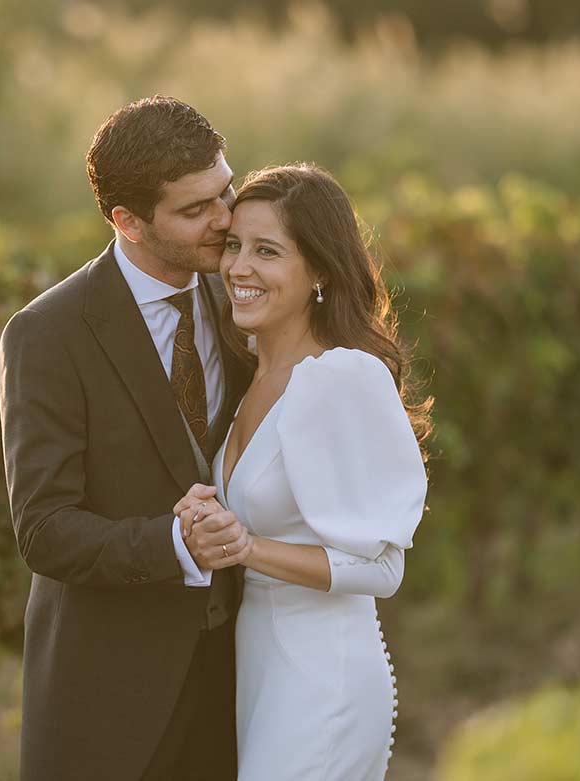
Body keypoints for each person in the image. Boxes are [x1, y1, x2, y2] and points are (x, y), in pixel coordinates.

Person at [0, 96, 250, 780]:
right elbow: (44, 529)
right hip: (108, 696)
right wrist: (174, 545)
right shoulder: (48, 334)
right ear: (127, 221)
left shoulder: (245, 295)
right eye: (195, 210)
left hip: (243, 676)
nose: (225, 219)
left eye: (225, 190)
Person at [175, 163, 432, 780]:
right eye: (234, 246)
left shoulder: (343, 377)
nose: (239, 268)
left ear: (318, 270)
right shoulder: (249, 377)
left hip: (323, 680)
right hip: (258, 669)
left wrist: (244, 547)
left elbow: (384, 568)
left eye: (267, 252)